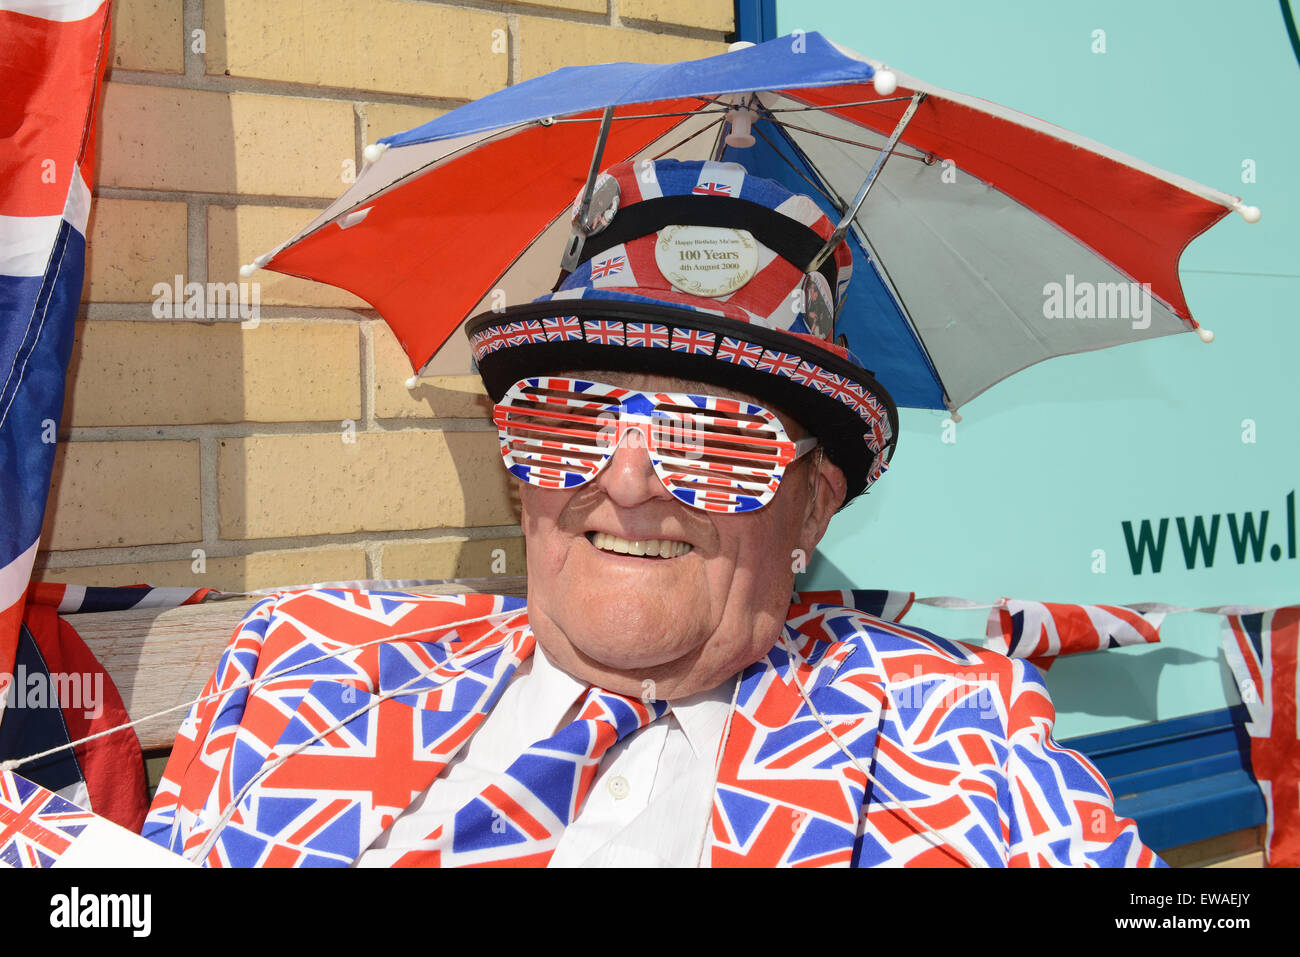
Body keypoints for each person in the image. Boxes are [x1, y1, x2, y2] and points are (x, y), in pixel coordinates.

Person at [142, 159, 1162, 867]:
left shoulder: (955, 737)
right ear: (520, 474)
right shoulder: (310, 658)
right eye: (567, 419)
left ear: (813, 503)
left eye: (712, 438)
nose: (625, 484)